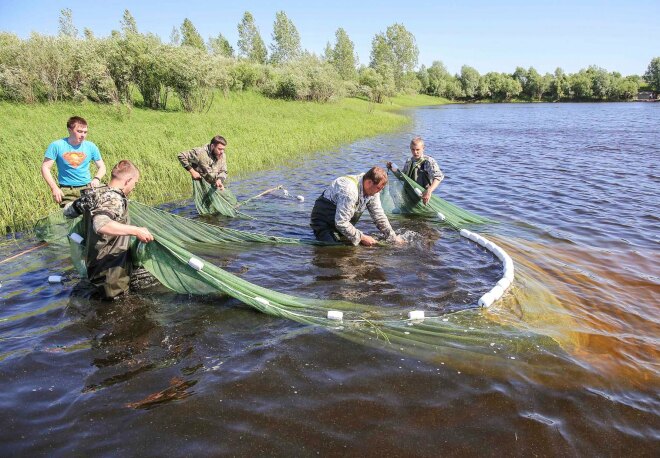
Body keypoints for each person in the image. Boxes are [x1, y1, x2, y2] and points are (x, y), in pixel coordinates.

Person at [65, 160, 154, 300]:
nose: (133, 187)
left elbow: (68, 211)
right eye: (134, 183)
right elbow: (101, 225)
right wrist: (136, 230)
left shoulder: (94, 194)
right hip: (111, 271)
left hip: (94, 265)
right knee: (120, 311)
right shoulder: (114, 199)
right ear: (128, 180)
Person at [310, 166, 403, 246]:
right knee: (334, 248)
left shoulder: (373, 192)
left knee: (354, 246)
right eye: (378, 188)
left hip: (339, 222)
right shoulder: (350, 191)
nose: (379, 191)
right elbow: (341, 223)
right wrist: (362, 237)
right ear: (369, 182)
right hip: (323, 221)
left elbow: (379, 216)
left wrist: (392, 237)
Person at [41, 116, 106, 207]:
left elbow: (102, 167)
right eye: (79, 131)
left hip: (87, 188)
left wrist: (97, 178)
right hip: (67, 190)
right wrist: (54, 188)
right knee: (71, 217)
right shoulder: (56, 145)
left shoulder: (91, 146)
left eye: (85, 132)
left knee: (90, 217)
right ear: (70, 130)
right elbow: (45, 167)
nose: (83, 135)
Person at [387, 136, 444, 205]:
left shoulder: (428, 162)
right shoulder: (409, 161)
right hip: (408, 196)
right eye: (413, 149)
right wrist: (393, 170)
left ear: (423, 148)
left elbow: (438, 177)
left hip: (422, 197)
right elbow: (403, 177)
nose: (415, 152)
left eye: (418, 149)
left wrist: (429, 191)